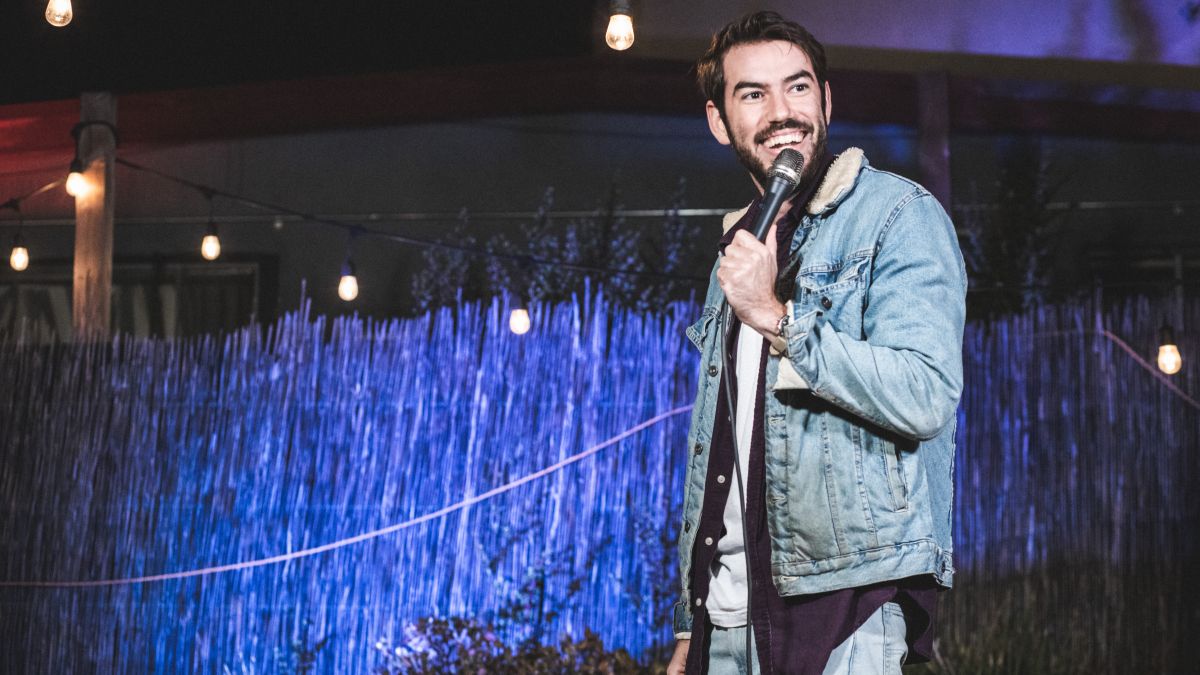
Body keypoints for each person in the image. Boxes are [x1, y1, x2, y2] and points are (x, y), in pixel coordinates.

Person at [668, 11, 966, 675]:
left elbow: (925, 393)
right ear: (718, 120)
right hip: (728, 618)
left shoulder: (896, 215)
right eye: (754, 93)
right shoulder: (738, 251)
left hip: (845, 608)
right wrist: (691, 620)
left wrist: (778, 319)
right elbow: (719, 445)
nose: (782, 112)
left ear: (826, 100)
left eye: (798, 87)